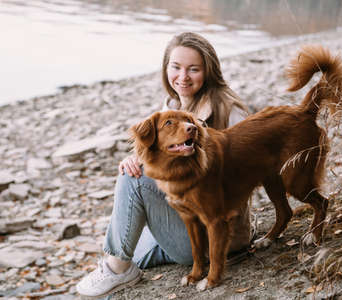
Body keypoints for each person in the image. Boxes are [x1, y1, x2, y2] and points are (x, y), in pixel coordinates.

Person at [76, 32, 252, 299]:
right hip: (184, 212)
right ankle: (124, 260)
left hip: (214, 231)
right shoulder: (173, 104)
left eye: (194, 69)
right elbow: (160, 155)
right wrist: (136, 159)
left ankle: (118, 269)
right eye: (176, 67)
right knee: (131, 184)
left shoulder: (230, 110)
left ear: (209, 70)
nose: (183, 77)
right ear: (165, 68)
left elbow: (248, 174)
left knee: (133, 185)